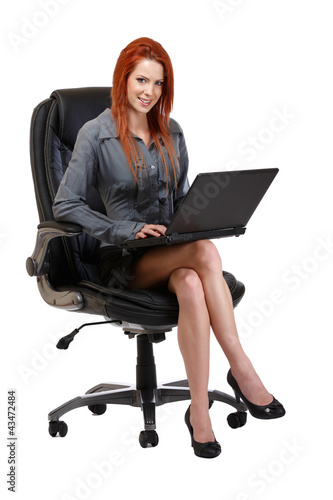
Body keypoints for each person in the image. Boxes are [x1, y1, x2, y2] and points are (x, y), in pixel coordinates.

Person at [53, 37, 285, 459]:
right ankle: (241, 367)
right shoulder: (96, 134)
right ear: (123, 78)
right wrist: (124, 227)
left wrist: (205, 215)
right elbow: (65, 204)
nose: (149, 92)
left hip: (172, 251)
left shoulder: (171, 131)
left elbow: (179, 201)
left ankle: (199, 412)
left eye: (159, 84)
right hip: (123, 259)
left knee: (192, 282)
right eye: (142, 80)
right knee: (207, 254)